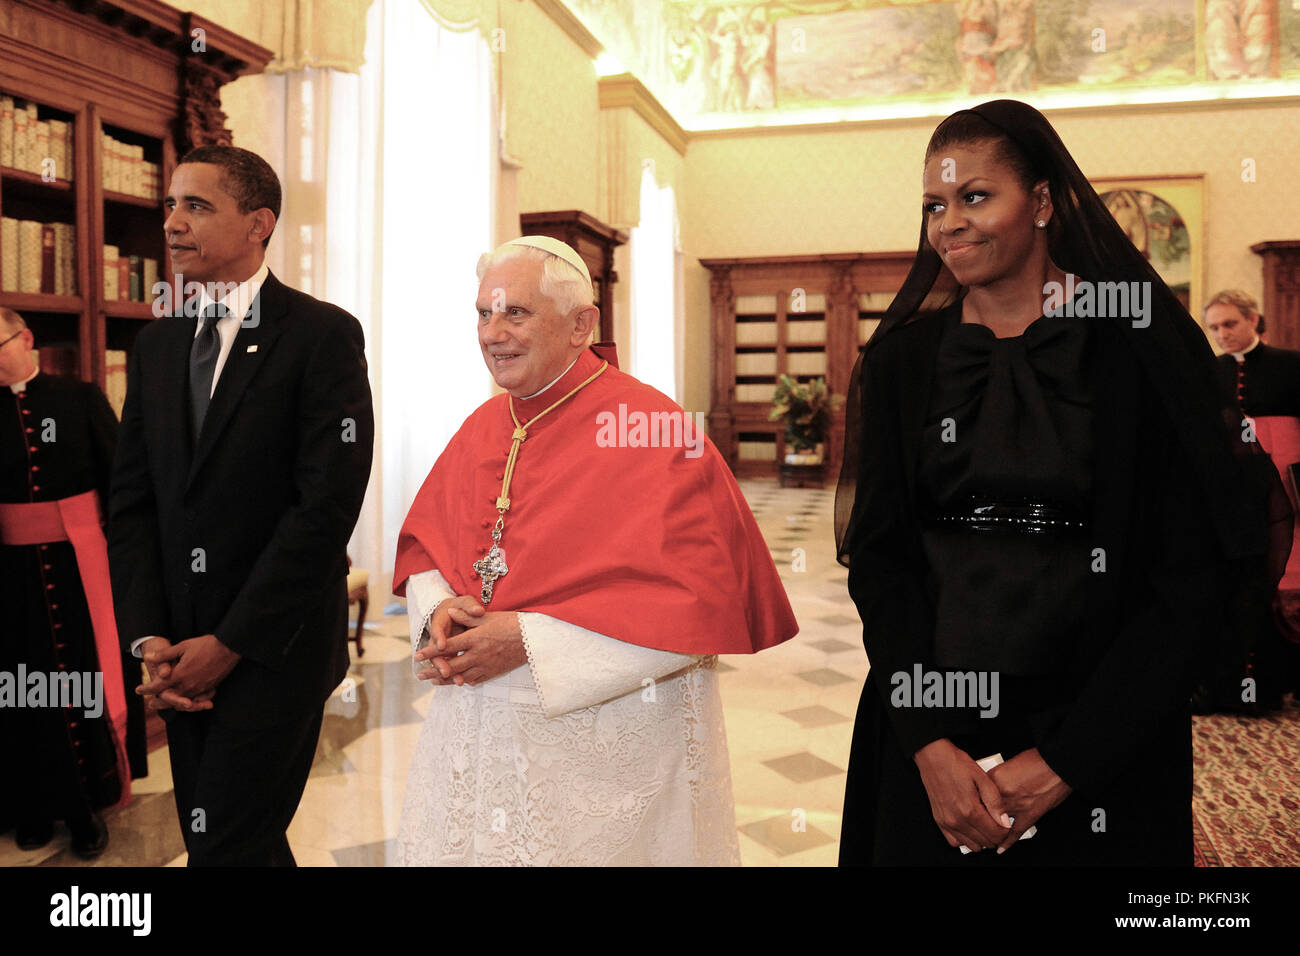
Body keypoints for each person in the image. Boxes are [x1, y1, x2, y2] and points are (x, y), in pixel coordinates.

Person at [834, 99, 1271, 866]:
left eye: (975, 196)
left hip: (1105, 727)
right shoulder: (904, 361)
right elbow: (882, 559)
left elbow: (1190, 574)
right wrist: (929, 744)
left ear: (1040, 201)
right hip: (933, 733)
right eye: (934, 205)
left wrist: (1068, 759)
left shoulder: (1141, 352)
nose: (949, 224)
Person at [392, 236, 797, 866]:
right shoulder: (485, 423)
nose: (492, 333)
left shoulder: (653, 429)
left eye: (515, 313)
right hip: (480, 723)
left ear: (582, 324)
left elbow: (701, 608)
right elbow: (427, 550)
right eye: (482, 313)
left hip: (605, 753)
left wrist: (527, 641)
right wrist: (439, 609)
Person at [108, 146, 374, 866]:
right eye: (169, 204)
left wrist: (227, 647)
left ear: (259, 223)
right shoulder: (157, 345)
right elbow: (131, 504)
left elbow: (324, 509)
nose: (171, 222)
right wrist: (150, 642)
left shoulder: (321, 335)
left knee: (227, 840)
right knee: (224, 843)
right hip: (178, 658)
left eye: (196, 206)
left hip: (271, 649)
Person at [0, 308, 145, 858]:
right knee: (21, 693)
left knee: (82, 687)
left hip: (80, 570)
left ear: (26, 338)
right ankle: (29, 806)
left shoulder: (78, 398)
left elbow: (121, 481)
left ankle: (88, 807)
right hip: (12, 583)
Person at [1205, 289, 1300, 708]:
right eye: (1214, 327)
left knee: (1291, 584)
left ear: (1253, 320)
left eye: (1230, 324)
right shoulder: (1211, 371)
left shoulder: (1291, 364)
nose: (1222, 334)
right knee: (1244, 582)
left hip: (1290, 487)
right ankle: (1245, 687)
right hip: (1237, 491)